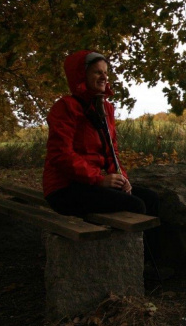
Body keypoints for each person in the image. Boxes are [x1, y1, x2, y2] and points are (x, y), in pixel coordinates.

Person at [43, 50, 158, 217]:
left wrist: (122, 178)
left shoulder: (105, 108)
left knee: (151, 198)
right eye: (97, 72)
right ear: (82, 75)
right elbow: (61, 155)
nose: (104, 77)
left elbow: (112, 151)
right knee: (135, 206)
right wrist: (99, 179)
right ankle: (133, 244)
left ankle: (153, 244)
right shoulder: (65, 107)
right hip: (64, 188)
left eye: (105, 72)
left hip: (90, 184)